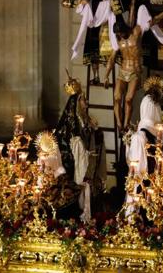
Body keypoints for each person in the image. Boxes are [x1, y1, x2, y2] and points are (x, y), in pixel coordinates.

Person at [104, 0, 163, 132]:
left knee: (128, 99)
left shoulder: (136, 32)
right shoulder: (119, 41)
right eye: (118, 35)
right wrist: (106, 76)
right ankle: (119, 125)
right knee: (117, 98)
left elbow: (153, 21)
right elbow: (112, 59)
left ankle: (126, 124)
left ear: (126, 29)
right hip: (122, 71)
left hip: (135, 71)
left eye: (121, 33)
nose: (121, 36)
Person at [54, 73, 108, 222]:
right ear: (77, 102)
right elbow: (67, 141)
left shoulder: (86, 119)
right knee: (81, 188)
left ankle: (88, 215)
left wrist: (96, 132)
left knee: (90, 187)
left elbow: (92, 136)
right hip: (76, 163)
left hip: (88, 160)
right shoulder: (71, 121)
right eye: (84, 99)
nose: (87, 102)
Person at [65, 0, 131, 84]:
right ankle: (96, 76)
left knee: (114, 50)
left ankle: (110, 77)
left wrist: (115, 5)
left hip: (114, 22)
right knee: (94, 50)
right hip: (97, 22)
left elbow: (128, 0)